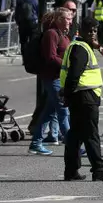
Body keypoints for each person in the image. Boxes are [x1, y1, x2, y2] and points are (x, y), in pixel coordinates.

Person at [60, 17, 103, 182]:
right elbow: (74, 75)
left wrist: (67, 95)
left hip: (80, 96)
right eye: (89, 30)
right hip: (85, 97)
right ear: (80, 31)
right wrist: (67, 95)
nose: (92, 33)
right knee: (91, 135)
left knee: (75, 135)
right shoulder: (81, 49)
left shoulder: (79, 46)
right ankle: (99, 170)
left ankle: (71, 171)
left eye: (95, 30)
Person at [28, 8, 72, 156]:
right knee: (63, 111)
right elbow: (50, 57)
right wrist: (67, 65)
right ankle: (73, 146)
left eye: (71, 18)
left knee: (49, 112)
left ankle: (35, 143)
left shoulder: (64, 36)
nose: (70, 21)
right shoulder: (51, 34)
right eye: (67, 18)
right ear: (58, 19)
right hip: (52, 78)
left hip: (60, 77)